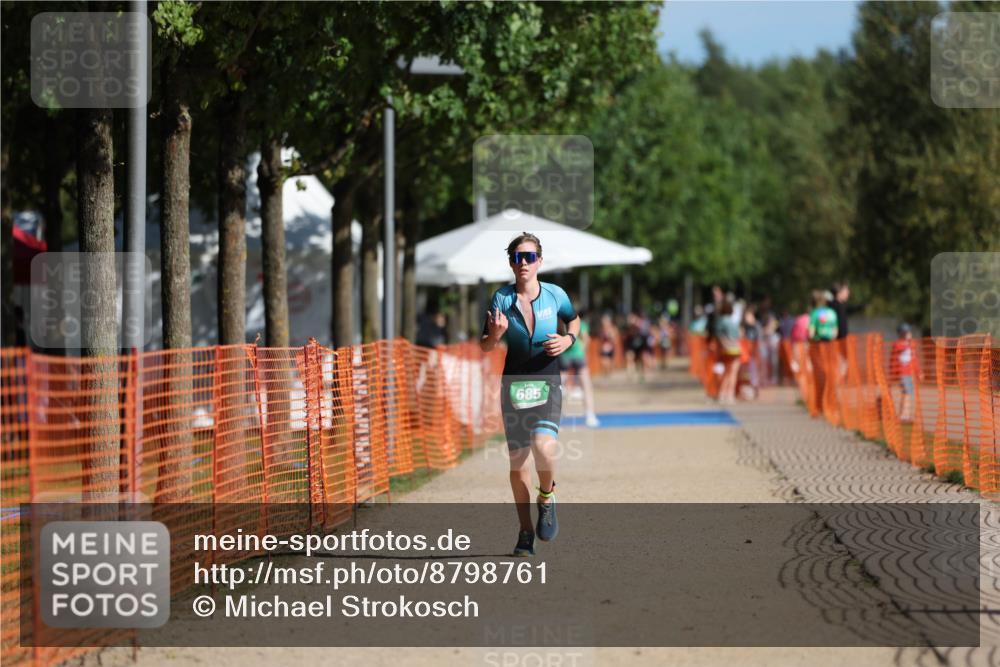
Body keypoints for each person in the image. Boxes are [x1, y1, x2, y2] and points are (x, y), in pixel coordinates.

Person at [481, 232, 580, 557]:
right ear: (511, 262)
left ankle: (547, 496)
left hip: (547, 380)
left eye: (530, 257)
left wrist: (568, 340)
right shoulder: (501, 299)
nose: (524, 263)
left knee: (543, 445)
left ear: (540, 260)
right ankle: (525, 532)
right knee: (517, 463)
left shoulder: (555, 295)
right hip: (514, 385)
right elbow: (485, 346)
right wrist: (494, 335)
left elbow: (574, 321)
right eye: (518, 257)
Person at [559, 309, 600, 428]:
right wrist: (583, 349)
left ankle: (555, 417)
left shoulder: (562, 322)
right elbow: (587, 339)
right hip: (578, 355)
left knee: (558, 386)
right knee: (586, 385)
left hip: (564, 355)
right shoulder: (580, 323)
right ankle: (590, 415)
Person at [714, 300, 742, 404]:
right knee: (733, 373)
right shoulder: (731, 321)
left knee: (726, 373)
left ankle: (722, 394)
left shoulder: (720, 321)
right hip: (734, 348)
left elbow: (718, 336)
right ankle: (729, 395)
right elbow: (737, 335)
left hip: (724, 349)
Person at [890, 323, 918, 422]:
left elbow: (914, 359)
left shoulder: (911, 344)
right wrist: (893, 372)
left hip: (910, 372)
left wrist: (918, 371)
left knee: (907, 393)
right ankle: (904, 415)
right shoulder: (898, 344)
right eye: (907, 332)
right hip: (902, 372)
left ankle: (905, 414)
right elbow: (893, 359)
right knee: (907, 393)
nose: (909, 334)